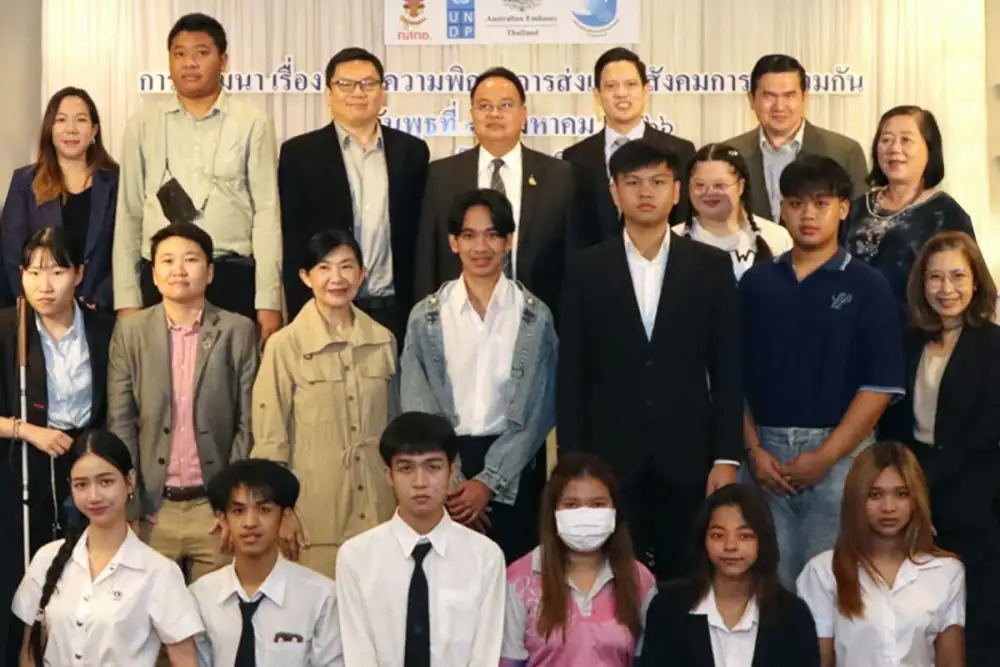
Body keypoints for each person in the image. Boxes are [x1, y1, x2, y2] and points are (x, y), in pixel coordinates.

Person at [558, 140, 743, 581]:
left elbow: (727, 369)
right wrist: (574, 463)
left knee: (687, 580)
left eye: (658, 182)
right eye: (633, 182)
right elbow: (572, 373)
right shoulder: (585, 268)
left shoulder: (711, 266)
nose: (646, 192)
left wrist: (726, 456)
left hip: (689, 456)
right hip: (609, 457)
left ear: (676, 191)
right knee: (617, 579)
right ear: (614, 192)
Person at [740, 155, 905, 587]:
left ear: (843, 208)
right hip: (766, 457)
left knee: (836, 588)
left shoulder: (869, 286)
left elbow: (879, 386)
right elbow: (731, 378)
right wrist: (754, 452)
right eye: (796, 204)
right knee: (769, 589)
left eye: (820, 203)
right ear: (781, 209)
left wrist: (826, 456)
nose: (808, 215)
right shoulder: (756, 284)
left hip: (842, 458)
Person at [401, 188, 556, 563]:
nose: (481, 247)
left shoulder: (535, 316)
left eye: (492, 235)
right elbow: (417, 404)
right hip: (444, 473)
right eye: (469, 235)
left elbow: (539, 411)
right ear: (453, 242)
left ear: (508, 240)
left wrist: (489, 482)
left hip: (516, 471)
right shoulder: (425, 317)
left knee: (514, 582)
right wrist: (452, 483)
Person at [112, 12, 282, 342]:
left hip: (231, 275)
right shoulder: (143, 124)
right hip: (161, 278)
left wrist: (268, 300)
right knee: (161, 374)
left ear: (223, 61)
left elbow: (267, 214)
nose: (189, 63)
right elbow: (129, 214)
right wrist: (127, 299)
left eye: (201, 52)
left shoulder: (252, 123)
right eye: (179, 53)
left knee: (231, 374)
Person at [107, 222, 259, 583]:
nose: (179, 269)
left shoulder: (237, 331)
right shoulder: (131, 332)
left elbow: (248, 422)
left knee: (217, 611)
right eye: (167, 260)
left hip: (214, 510)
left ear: (210, 272)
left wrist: (232, 503)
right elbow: (121, 421)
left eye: (191, 259)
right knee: (149, 614)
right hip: (153, 510)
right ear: (154, 275)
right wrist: (131, 505)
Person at [880, 231, 1000, 666]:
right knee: (921, 618)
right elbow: (893, 422)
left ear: (976, 281)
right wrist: (907, 492)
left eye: (958, 276)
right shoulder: (908, 340)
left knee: (977, 618)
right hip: (912, 487)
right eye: (935, 277)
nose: (946, 289)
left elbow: (983, 433)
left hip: (976, 498)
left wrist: (922, 493)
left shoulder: (993, 345)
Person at [252, 228, 398, 578]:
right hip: (313, 518)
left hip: (378, 513)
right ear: (306, 277)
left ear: (362, 274)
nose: (337, 278)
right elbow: (270, 440)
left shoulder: (383, 341)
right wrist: (281, 511)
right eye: (324, 268)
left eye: (347, 267)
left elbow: (396, 430)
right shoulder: (284, 346)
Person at [0, 227, 115, 665]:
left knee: (80, 577)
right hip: (22, 464)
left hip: (86, 460)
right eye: (33, 272)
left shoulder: (104, 329)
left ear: (79, 274)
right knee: (22, 574)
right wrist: (27, 430)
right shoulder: (8, 328)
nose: (44, 285)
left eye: (56, 271)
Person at [11, 429, 204, 667]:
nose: (94, 496)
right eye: (82, 485)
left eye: (106, 482)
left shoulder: (159, 572)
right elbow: (29, 654)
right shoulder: (46, 558)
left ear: (130, 481)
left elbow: (185, 661)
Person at [278, 47, 430, 342]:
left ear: (383, 93)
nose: (357, 92)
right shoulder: (299, 154)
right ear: (328, 93)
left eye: (368, 83)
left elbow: (420, 237)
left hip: (396, 309)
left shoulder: (411, 152)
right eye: (345, 84)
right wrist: (299, 311)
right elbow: (292, 239)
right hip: (327, 307)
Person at [336, 412, 505, 667]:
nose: (420, 482)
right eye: (406, 468)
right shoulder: (356, 556)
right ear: (389, 475)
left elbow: (485, 653)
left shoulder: (485, 556)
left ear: (452, 471)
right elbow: (357, 651)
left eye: (433, 467)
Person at [414, 66, 576, 322]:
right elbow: (427, 258)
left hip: (538, 320)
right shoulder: (441, 175)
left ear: (523, 114)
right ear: (472, 114)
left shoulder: (559, 176)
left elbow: (572, 260)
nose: (495, 114)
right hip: (458, 320)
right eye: (485, 106)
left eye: (506, 105)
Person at [796, 441, 966, 667]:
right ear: (856, 499)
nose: (888, 507)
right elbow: (820, 660)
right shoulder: (823, 572)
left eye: (901, 494)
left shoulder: (947, 572)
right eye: (875, 495)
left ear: (916, 499)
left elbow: (951, 661)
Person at [500, 452, 656, 667]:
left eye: (597, 504)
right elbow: (508, 661)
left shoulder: (640, 579)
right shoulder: (519, 578)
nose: (585, 514)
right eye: (571, 505)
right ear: (553, 511)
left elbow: (647, 658)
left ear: (614, 511)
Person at [641, 484, 820, 667]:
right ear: (703, 540)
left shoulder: (793, 616)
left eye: (744, 536)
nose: (730, 546)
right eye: (718, 535)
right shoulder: (668, 608)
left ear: (762, 541)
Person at [190, 459, 343, 667]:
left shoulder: (321, 597)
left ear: (285, 517)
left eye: (264, 510)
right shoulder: (200, 596)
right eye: (238, 511)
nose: (250, 523)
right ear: (223, 520)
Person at [840, 106, 975, 315]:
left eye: (906, 140)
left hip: (916, 330)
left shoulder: (946, 214)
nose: (894, 148)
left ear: (929, 149)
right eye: (886, 140)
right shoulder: (856, 208)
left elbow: (965, 288)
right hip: (851, 326)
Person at [562, 47, 696, 246]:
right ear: (597, 94)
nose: (621, 93)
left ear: (646, 91)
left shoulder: (680, 151)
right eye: (611, 86)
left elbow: (684, 222)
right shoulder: (575, 157)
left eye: (631, 84)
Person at [0, 87, 119, 311]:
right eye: (61, 120)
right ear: (50, 130)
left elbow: (126, 250)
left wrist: (99, 300)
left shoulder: (116, 182)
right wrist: (32, 299)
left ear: (94, 131)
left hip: (100, 311)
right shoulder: (25, 182)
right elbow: (12, 251)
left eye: (80, 120)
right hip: (40, 309)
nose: (71, 129)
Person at [723, 54, 868, 222]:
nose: (779, 106)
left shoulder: (844, 152)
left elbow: (860, 223)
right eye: (769, 96)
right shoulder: (730, 154)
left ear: (804, 97)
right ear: (751, 99)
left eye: (789, 96)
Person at [673, 143, 792, 281]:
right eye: (699, 185)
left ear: (740, 186)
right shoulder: (672, 239)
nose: (708, 192)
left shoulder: (776, 237)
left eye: (719, 185)